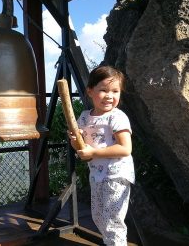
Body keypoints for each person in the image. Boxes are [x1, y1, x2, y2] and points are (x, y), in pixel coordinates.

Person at [68, 65, 135, 246]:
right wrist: (75, 140)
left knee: (112, 221)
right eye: (103, 90)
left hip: (116, 175)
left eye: (115, 91)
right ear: (90, 91)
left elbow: (125, 148)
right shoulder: (84, 117)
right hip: (97, 175)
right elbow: (81, 149)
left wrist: (94, 152)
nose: (109, 96)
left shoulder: (117, 117)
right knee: (98, 216)